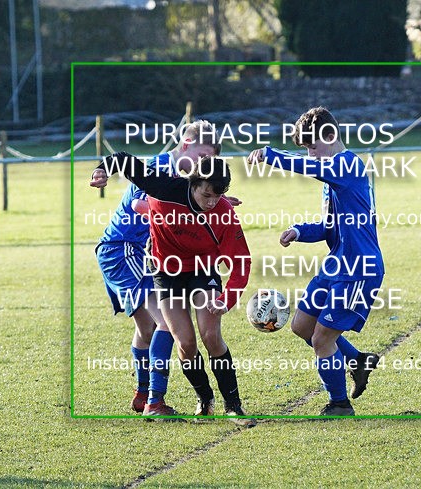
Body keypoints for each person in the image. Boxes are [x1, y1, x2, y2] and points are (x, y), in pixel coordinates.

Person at [248, 106, 385, 416]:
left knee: (323, 338)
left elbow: (309, 169)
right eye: (306, 149)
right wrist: (298, 231)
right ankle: (357, 361)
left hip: (358, 268)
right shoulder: (331, 177)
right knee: (302, 325)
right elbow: (328, 226)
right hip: (338, 263)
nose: (310, 155)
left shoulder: (348, 166)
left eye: (312, 147)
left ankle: (339, 404)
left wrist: (272, 155)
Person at [107, 150, 255, 426]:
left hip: (203, 268)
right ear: (192, 184)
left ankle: (233, 406)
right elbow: (127, 161)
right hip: (167, 271)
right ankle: (205, 399)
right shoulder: (166, 189)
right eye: (206, 195)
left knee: (210, 335)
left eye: (217, 196)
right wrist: (103, 171)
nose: (212, 202)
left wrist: (227, 298)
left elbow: (241, 261)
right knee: (185, 342)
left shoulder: (223, 212)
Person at [89, 121, 224, 418]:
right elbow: (140, 206)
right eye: (202, 158)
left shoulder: (187, 175)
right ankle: (155, 402)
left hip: (131, 252)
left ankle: (141, 395)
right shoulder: (159, 167)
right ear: (186, 144)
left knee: (147, 328)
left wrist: (219, 202)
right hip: (124, 249)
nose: (204, 166)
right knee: (167, 323)